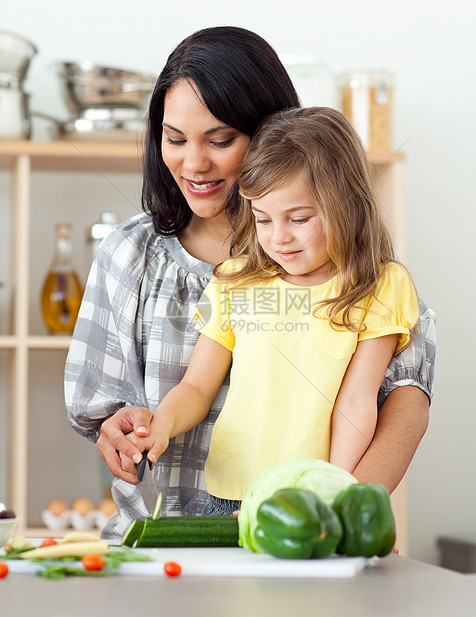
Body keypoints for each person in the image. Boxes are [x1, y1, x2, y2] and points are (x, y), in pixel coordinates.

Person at [64, 27, 435, 537]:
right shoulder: (156, 261)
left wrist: (339, 513)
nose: (193, 163)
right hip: (163, 537)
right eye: (174, 139)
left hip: (304, 519)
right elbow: (164, 393)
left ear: (271, 134)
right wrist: (132, 426)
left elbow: (401, 399)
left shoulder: (369, 276)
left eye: (220, 140)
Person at [124, 106, 420, 515]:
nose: (278, 238)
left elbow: (357, 402)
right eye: (262, 219)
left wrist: (332, 495)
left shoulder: (379, 285)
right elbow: (195, 387)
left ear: (347, 204)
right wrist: (161, 425)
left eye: (298, 219)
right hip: (228, 493)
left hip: (308, 498)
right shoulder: (235, 280)